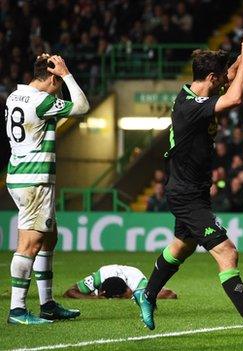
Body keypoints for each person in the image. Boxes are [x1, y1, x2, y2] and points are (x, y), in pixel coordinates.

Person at [133, 30, 243, 340]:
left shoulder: (191, 92)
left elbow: (226, 78)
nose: (223, 82)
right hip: (186, 194)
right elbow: (235, 96)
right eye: (219, 79)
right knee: (227, 253)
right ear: (211, 78)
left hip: (193, 190)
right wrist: (242, 62)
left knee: (182, 247)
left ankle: (147, 294)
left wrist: (242, 59)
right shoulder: (192, 108)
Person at [5, 54, 89, 325]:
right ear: (52, 78)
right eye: (59, 83)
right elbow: (82, 106)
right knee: (29, 243)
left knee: (48, 238)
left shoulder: (15, 96)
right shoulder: (42, 101)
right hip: (34, 180)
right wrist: (67, 74)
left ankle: (48, 304)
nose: (60, 90)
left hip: (22, 175)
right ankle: (17, 310)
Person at [64, 265, 177, 299]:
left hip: (132, 273)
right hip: (110, 270)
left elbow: (171, 294)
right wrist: (93, 298)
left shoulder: (138, 284)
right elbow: (69, 292)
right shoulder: (100, 275)